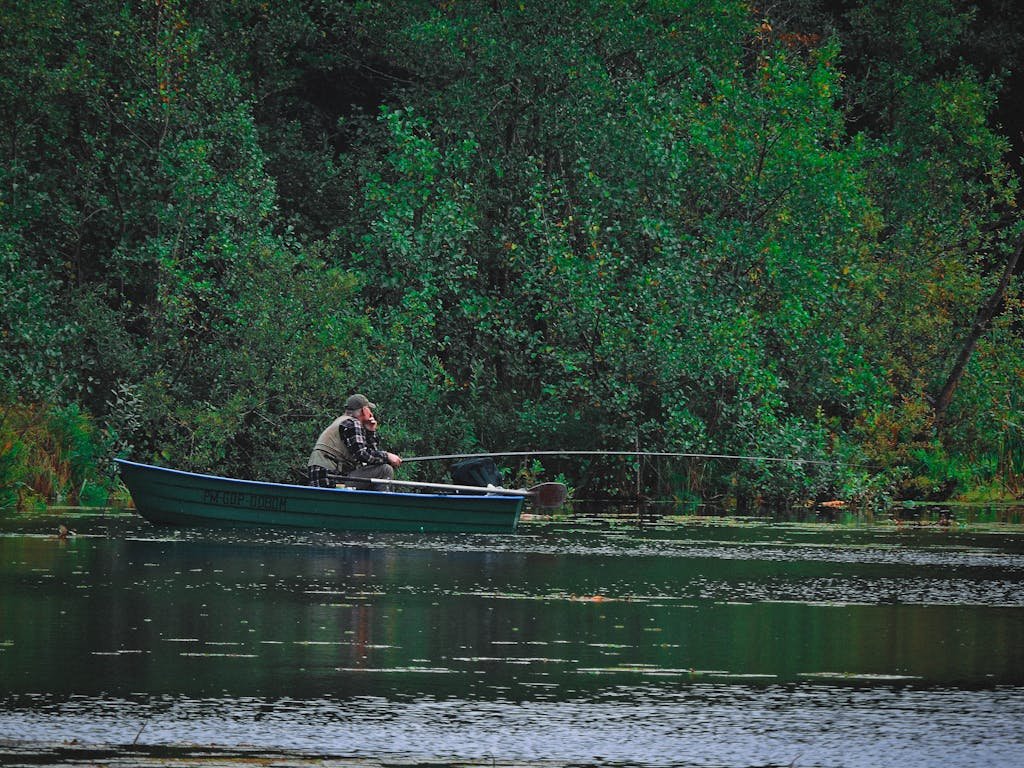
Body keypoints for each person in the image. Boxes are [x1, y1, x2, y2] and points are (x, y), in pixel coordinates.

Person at [307, 394, 402, 489]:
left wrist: (370, 432)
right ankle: (381, 503)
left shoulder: (341, 421)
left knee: (378, 470)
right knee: (385, 470)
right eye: (369, 409)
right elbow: (362, 454)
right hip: (332, 479)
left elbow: (371, 461)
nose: (371, 413)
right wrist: (388, 456)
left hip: (323, 478)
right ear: (364, 410)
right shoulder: (353, 423)